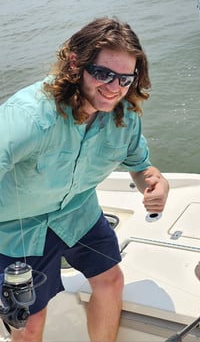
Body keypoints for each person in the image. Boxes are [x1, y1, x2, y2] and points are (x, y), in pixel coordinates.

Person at [0, 17, 169, 342]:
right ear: (75, 64)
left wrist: (155, 182)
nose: (114, 88)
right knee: (29, 323)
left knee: (111, 281)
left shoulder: (125, 116)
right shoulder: (28, 117)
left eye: (124, 78)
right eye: (102, 73)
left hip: (78, 214)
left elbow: (141, 167)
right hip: (16, 229)